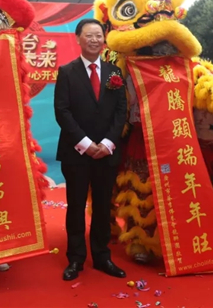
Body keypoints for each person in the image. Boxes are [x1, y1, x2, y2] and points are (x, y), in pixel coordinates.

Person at [54, 18, 128, 281]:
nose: (95, 40)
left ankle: (102, 256)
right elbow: (62, 112)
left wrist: (107, 143)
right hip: (76, 153)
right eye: (89, 35)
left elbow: (121, 111)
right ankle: (75, 259)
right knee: (75, 206)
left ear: (103, 38)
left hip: (106, 153)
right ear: (78, 38)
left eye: (98, 35)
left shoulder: (114, 72)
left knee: (102, 206)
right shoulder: (67, 72)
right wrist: (85, 144)